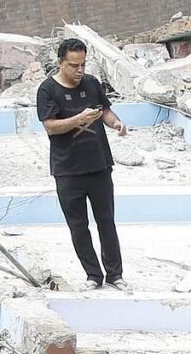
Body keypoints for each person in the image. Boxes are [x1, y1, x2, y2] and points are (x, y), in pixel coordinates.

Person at [37, 39, 128, 288]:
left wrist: (116, 123)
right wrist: (78, 118)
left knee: (106, 222)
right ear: (60, 63)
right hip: (67, 170)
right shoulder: (47, 90)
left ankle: (115, 274)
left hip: (99, 164)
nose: (79, 71)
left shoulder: (91, 84)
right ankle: (93, 275)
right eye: (73, 65)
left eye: (83, 65)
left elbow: (105, 111)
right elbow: (50, 127)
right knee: (78, 226)